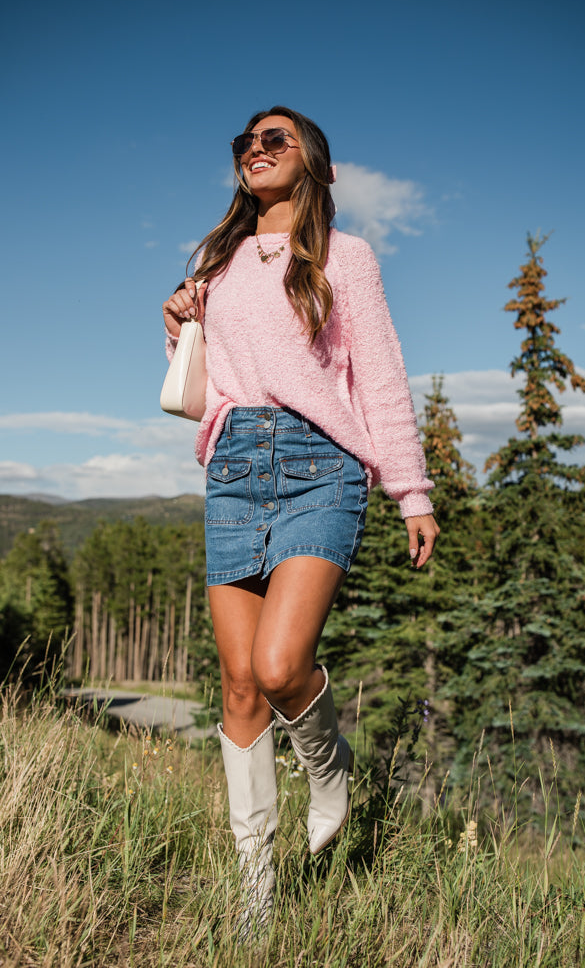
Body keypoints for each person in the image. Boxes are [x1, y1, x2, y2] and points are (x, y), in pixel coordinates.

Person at [162, 106, 439, 935]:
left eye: (274, 139)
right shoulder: (219, 265)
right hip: (236, 469)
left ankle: (329, 765)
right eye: (246, 141)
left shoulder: (347, 258)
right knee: (240, 684)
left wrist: (411, 490)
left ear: (312, 161)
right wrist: (178, 328)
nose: (256, 149)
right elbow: (205, 394)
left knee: (283, 666)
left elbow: (382, 377)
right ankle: (256, 895)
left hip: (323, 465)